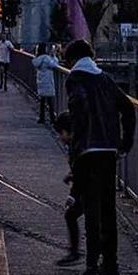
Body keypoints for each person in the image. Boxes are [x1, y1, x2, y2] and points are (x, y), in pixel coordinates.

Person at [64, 38, 136, 275]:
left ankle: (91, 267)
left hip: (87, 151)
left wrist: (77, 139)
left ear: (72, 59)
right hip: (109, 150)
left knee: (91, 207)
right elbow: (127, 107)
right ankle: (111, 266)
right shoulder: (105, 78)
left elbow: (79, 105)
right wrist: (125, 142)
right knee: (108, 207)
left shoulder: (75, 78)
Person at [52, 111, 84, 267]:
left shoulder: (77, 147)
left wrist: (72, 196)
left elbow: (81, 171)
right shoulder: (79, 143)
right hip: (88, 186)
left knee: (71, 215)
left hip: (86, 188)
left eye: (61, 133)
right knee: (73, 216)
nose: (60, 137)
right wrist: (70, 175)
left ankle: (75, 253)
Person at [32, 42, 60, 125]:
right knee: (50, 101)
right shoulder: (47, 59)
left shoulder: (38, 58)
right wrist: (54, 56)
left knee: (42, 101)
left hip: (41, 80)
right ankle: (52, 118)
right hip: (48, 80)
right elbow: (55, 65)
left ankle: (42, 117)